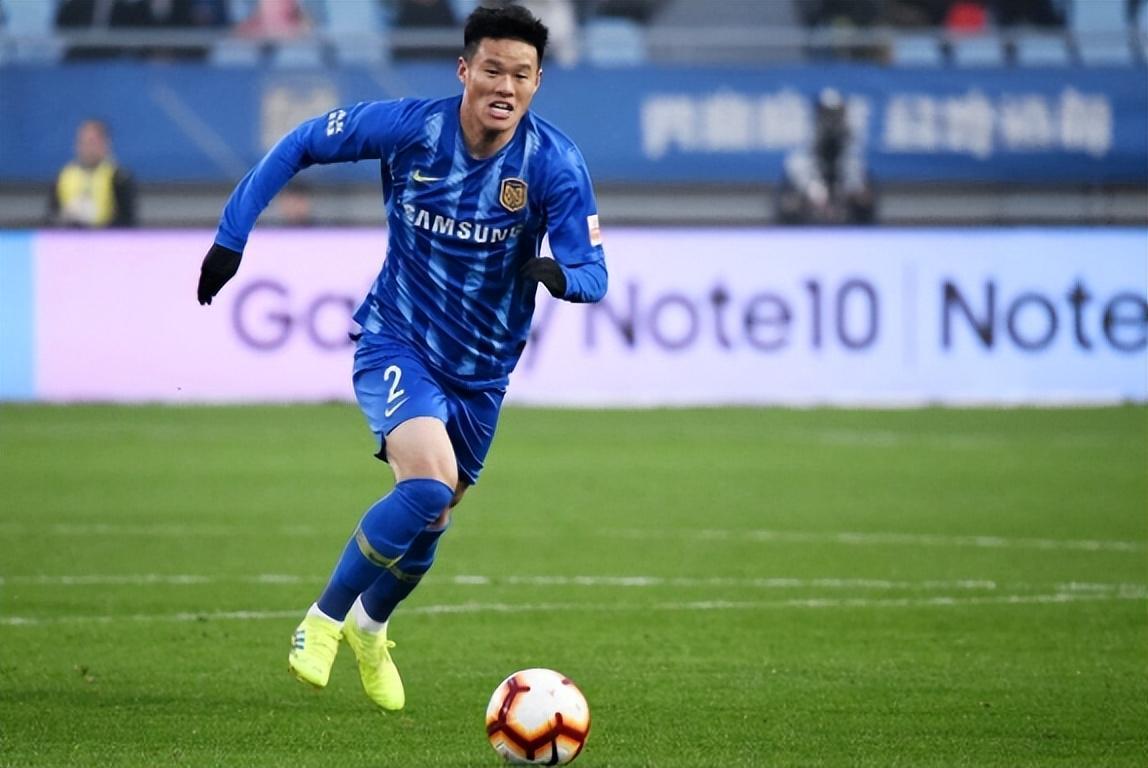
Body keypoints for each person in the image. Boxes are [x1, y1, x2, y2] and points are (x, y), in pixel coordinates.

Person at [196, 4, 607, 711]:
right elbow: (301, 142)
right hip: (398, 339)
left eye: (521, 75)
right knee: (428, 486)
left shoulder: (555, 164)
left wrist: (559, 277)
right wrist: (232, 237)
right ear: (464, 70)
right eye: (493, 70)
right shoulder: (412, 129)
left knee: (436, 515)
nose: (505, 87)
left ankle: (371, 627)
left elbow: (594, 273)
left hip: (483, 373)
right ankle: (323, 620)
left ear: (538, 82)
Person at [776, 88, 876, 226]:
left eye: (835, 113)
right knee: (790, 201)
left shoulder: (848, 135)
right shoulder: (809, 133)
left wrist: (848, 188)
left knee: (863, 196)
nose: (831, 117)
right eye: (827, 112)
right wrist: (812, 187)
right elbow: (799, 165)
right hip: (812, 183)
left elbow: (854, 165)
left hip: (841, 185)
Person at [47, 118, 137, 228]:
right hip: (71, 236)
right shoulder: (64, 176)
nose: (87, 148)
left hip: (107, 235)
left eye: (92, 142)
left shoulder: (119, 177)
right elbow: (51, 216)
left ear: (105, 143)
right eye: (83, 142)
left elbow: (127, 220)